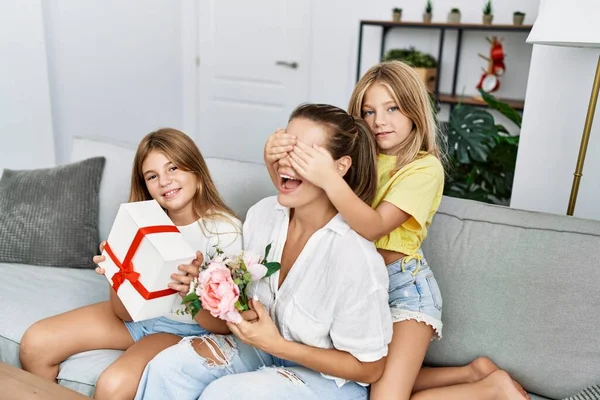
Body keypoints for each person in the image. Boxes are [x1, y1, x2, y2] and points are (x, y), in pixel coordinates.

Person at [265, 61, 529, 400]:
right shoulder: (356, 159)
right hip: (359, 288)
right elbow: (295, 194)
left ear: (414, 111)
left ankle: (491, 390)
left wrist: (329, 177)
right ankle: (471, 372)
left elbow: (373, 228)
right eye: (369, 111)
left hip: (403, 290)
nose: (380, 121)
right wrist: (271, 157)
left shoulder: (423, 168)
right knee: (362, 383)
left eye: (392, 108)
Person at [133, 104, 393, 400]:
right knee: (168, 368)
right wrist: (202, 288)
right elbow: (245, 305)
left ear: (339, 167)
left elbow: (370, 369)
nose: (286, 162)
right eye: (285, 148)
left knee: (226, 395)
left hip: (329, 381)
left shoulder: (353, 255)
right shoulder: (263, 215)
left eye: (305, 155)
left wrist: (278, 346)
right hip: (264, 350)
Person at [19, 128, 242, 400]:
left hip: (187, 330)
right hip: (138, 319)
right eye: (152, 176)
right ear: (145, 185)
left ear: (195, 169)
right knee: (35, 344)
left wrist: (193, 293)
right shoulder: (141, 222)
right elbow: (123, 313)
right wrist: (118, 275)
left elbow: (224, 326)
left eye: (173, 168)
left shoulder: (226, 232)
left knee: (113, 385)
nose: (165, 182)